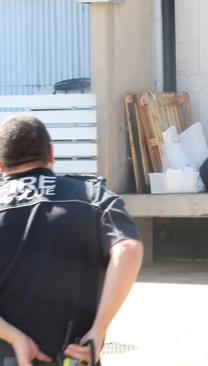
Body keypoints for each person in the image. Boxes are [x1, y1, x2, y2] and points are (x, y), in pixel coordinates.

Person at [0, 115, 143, 366]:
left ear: (1, 166)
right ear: (51, 154)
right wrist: (98, 332)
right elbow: (128, 249)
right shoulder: (92, 194)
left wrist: (14, 337)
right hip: (74, 358)